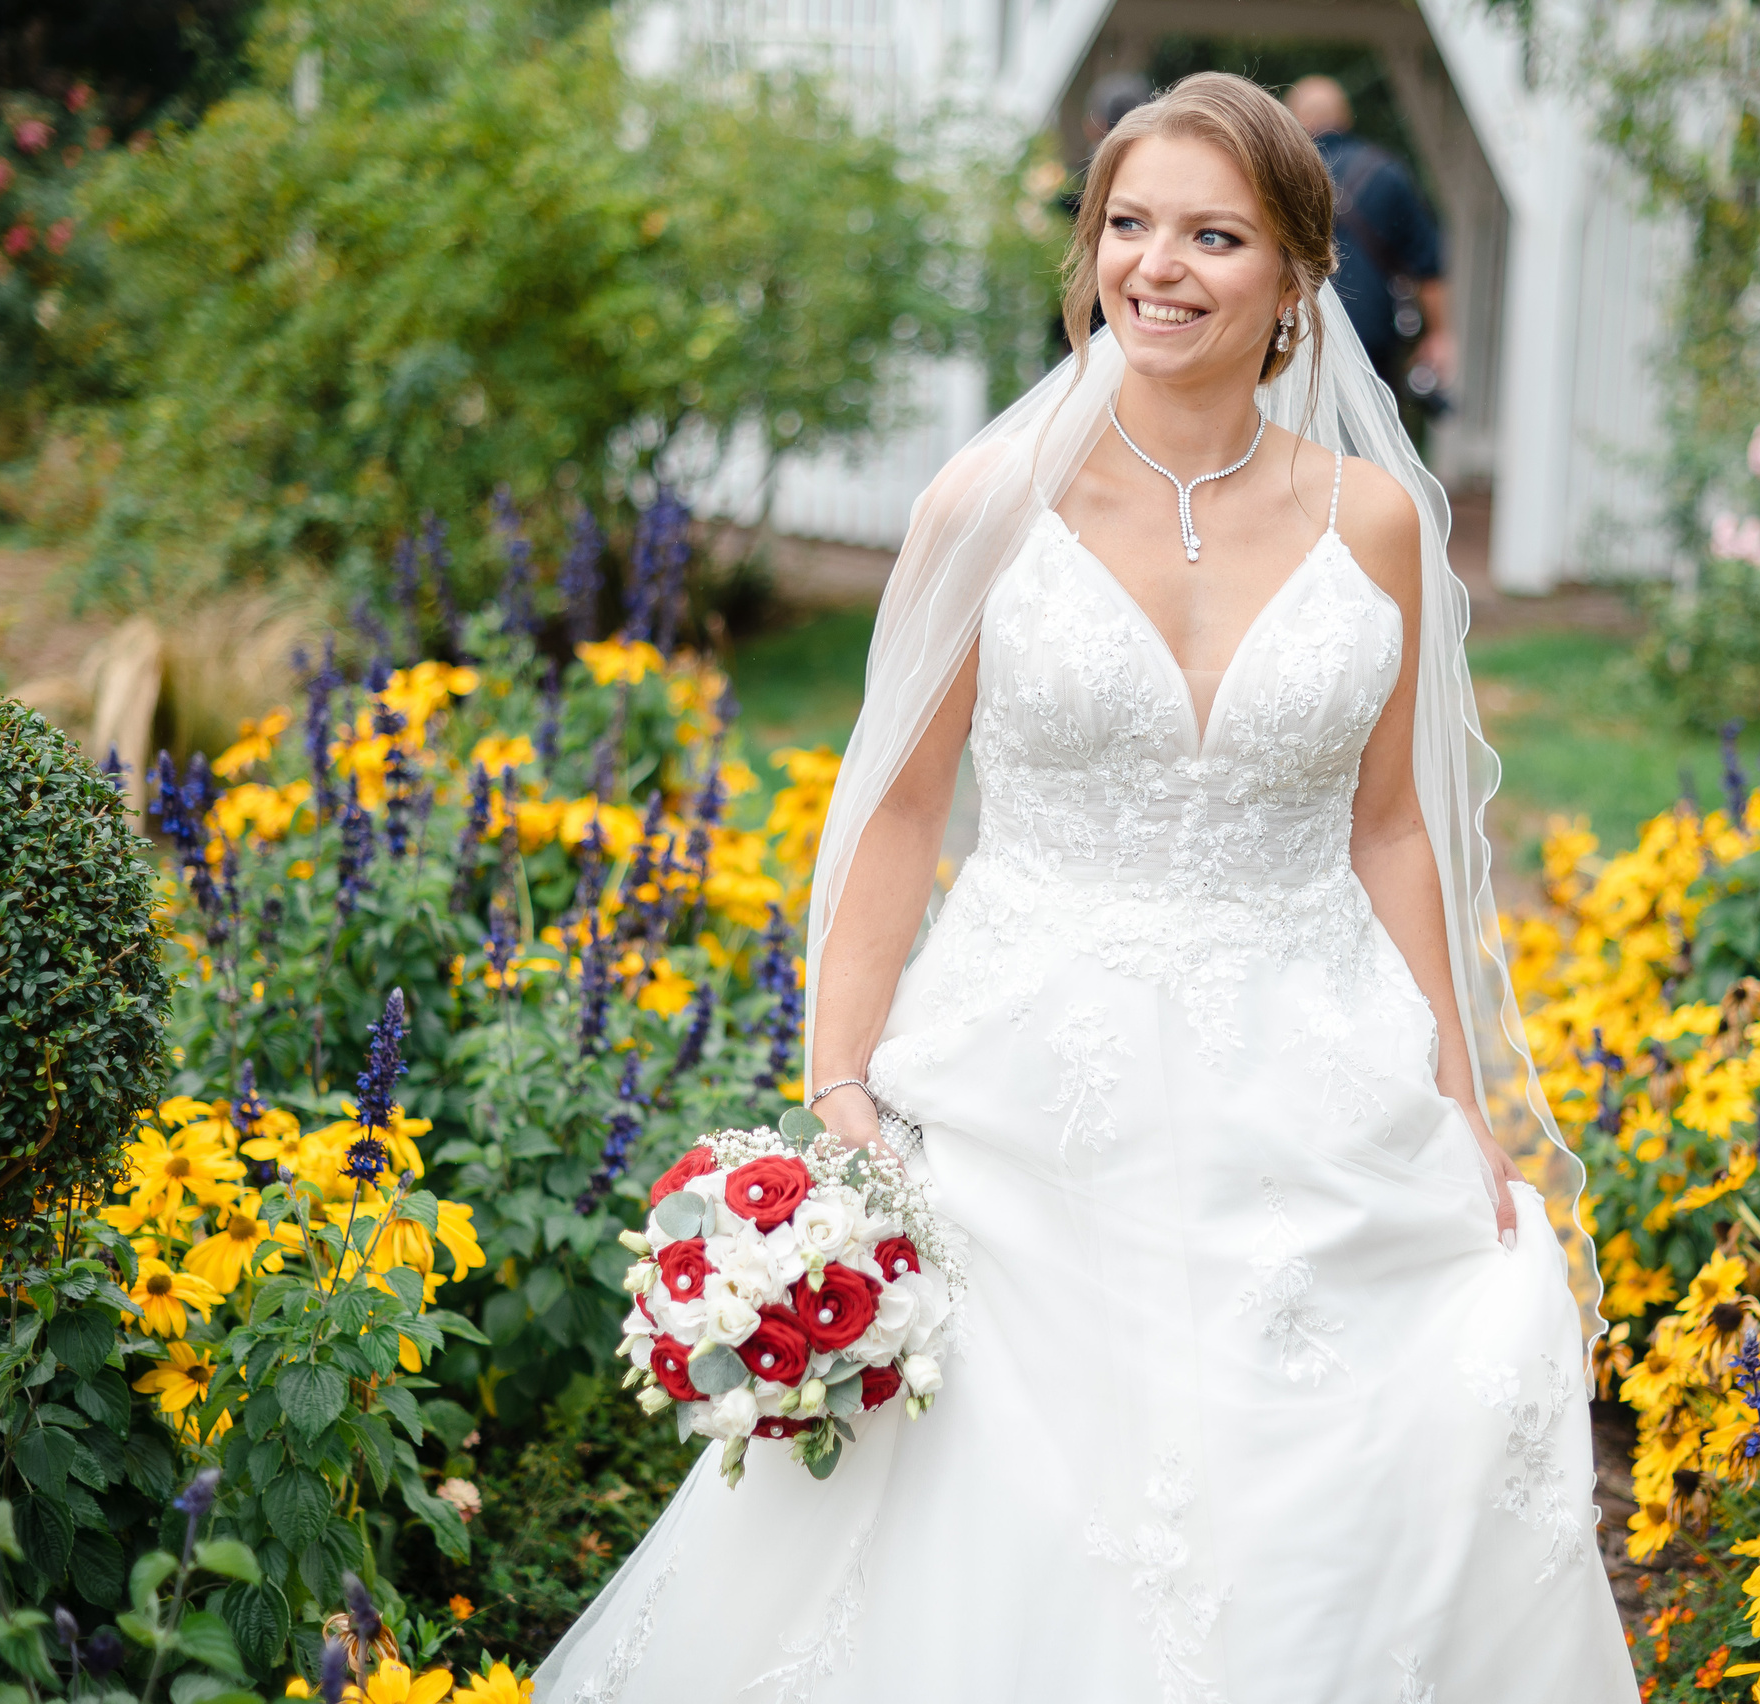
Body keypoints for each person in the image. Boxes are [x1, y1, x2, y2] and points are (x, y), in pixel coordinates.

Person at [530, 72, 1633, 1702]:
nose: (1158, 265)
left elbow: (1392, 824)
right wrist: (841, 1079)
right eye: (1127, 225)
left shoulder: (1381, 521)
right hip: (1027, 1070)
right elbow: (898, 803)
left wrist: (1458, 1090)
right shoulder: (985, 505)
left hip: (1309, 1064)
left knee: (1358, 1447)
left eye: (1212, 232)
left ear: (1298, 276)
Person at [1284, 74, 1457, 402]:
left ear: (1292, 119)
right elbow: (1427, 263)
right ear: (1346, 117)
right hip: (1371, 346)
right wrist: (1439, 334)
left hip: (1293, 334)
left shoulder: (1278, 174)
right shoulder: (1385, 173)